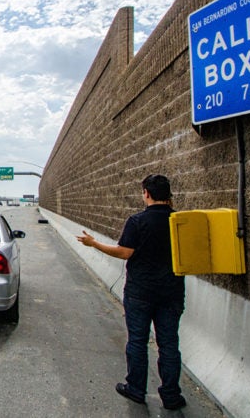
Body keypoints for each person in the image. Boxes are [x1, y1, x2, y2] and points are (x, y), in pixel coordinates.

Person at [75, 174, 187, 410]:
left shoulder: (137, 221)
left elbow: (124, 252)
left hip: (140, 292)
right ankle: (171, 395)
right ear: (168, 195)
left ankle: (136, 389)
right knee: (169, 344)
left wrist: (93, 243)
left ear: (146, 193)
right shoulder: (181, 222)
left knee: (137, 340)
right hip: (171, 292)